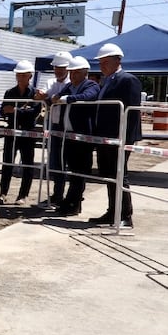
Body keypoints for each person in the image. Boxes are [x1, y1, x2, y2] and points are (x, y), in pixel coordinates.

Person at [89, 43, 142, 227]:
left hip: (119, 137)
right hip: (105, 136)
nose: (102, 66)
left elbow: (132, 112)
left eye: (106, 62)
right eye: (101, 63)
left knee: (120, 174)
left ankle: (125, 215)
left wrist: (125, 138)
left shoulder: (128, 80)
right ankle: (113, 211)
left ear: (117, 61)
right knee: (109, 174)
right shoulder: (106, 81)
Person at [52, 56, 99, 217]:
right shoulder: (70, 87)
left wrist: (68, 99)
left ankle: (73, 203)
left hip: (83, 137)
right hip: (69, 135)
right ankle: (71, 203)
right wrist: (57, 97)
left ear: (84, 73)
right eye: (71, 72)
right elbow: (58, 96)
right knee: (72, 171)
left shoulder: (91, 85)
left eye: (75, 73)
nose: (72, 76)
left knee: (80, 172)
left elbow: (88, 97)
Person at [0, 61, 42, 205]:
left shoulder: (35, 94)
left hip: (28, 133)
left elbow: (33, 112)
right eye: (18, 75)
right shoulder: (10, 92)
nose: (20, 77)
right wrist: (17, 111)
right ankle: (3, 192)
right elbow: (4, 110)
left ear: (30, 76)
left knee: (27, 164)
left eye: (23, 75)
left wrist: (16, 110)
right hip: (12, 131)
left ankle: (23, 195)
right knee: (7, 163)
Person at [34, 51, 73, 205]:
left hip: (69, 126)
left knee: (68, 162)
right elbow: (41, 96)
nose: (58, 70)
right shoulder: (51, 82)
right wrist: (42, 96)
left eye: (61, 68)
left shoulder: (72, 83)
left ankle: (70, 197)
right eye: (56, 67)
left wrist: (50, 98)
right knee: (55, 162)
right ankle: (57, 195)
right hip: (55, 124)